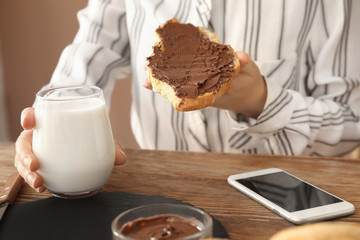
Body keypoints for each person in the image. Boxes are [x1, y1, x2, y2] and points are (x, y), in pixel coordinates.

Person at [15, 0, 360, 192]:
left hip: (280, 194)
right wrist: (50, 120)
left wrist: (262, 101)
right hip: (156, 187)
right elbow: (93, 46)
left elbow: (352, 121)